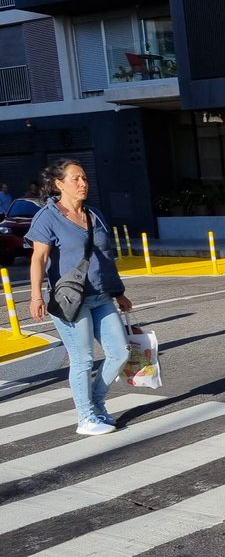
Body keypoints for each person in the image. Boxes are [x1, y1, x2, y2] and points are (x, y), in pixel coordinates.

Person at [26, 159, 132, 436]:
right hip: (70, 301)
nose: (83, 183)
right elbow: (39, 257)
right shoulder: (47, 217)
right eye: (76, 179)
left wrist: (119, 293)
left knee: (120, 352)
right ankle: (85, 417)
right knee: (83, 359)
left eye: (84, 178)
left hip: (101, 296)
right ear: (59, 184)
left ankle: (96, 402)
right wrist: (36, 295)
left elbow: (105, 258)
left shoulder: (94, 215)